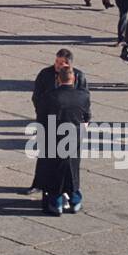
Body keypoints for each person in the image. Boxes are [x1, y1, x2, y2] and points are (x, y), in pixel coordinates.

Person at [34, 66, 92, 215]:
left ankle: (56, 201)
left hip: (55, 134)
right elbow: (87, 116)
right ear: (73, 78)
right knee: (73, 167)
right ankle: (75, 199)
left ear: (58, 79)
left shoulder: (50, 96)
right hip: (75, 135)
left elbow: (41, 116)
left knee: (54, 169)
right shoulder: (83, 95)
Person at [29, 49, 88, 192]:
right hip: (49, 120)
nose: (57, 65)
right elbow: (37, 97)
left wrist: (84, 120)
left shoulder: (78, 75)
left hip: (70, 122)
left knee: (69, 159)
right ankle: (39, 184)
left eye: (61, 63)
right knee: (44, 155)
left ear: (68, 64)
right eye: (56, 61)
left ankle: (69, 187)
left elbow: (84, 100)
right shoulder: (45, 74)